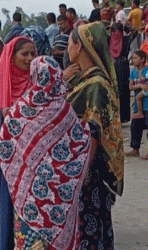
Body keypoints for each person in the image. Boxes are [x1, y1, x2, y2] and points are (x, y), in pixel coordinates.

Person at [0, 56, 91, 250]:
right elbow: (82, 144)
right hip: (59, 202)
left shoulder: (22, 110)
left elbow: (6, 143)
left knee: (29, 243)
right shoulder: (66, 112)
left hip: (29, 196)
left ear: (34, 77)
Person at [65, 22, 124, 249]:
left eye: (70, 42)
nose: (68, 47)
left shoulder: (96, 84)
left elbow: (93, 133)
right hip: (81, 169)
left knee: (88, 228)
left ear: (79, 46)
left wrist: (78, 175)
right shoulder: (84, 79)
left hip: (87, 173)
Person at [0, 36, 37, 250]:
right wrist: (1, 114)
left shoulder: (37, 81)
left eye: (33, 54)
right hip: (8, 164)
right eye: (24, 54)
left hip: (33, 163)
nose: (30, 58)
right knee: (8, 213)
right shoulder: (0, 85)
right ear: (11, 57)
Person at [109, 22, 138, 123]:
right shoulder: (125, 39)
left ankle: (117, 118)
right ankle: (123, 117)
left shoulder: (109, 40)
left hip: (113, 67)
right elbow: (135, 32)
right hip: (123, 67)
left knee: (116, 93)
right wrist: (127, 28)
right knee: (123, 93)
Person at [125, 50, 148, 160]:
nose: (133, 60)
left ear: (143, 59)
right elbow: (130, 87)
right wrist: (140, 86)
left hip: (147, 104)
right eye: (133, 58)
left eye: (136, 58)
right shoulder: (133, 72)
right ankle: (135, 149)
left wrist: (139, 86)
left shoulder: (147, 71)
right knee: (135, 127)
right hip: (137, 104)